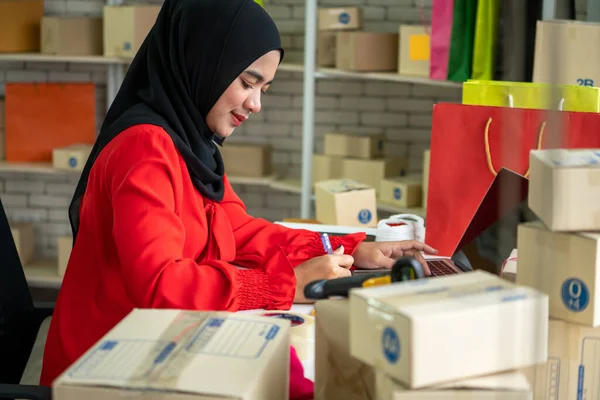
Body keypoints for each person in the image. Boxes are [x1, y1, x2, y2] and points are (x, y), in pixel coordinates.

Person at [39, 0, 438, 398]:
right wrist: (286, 285)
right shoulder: (144, 149)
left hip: (158, 345)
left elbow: (240, 231)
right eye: (247, 83)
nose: (256, 104)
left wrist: (354, 250)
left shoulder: (193, 147)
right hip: (108, 367)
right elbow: (161, 285)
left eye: (263, 88)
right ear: (203, 61)